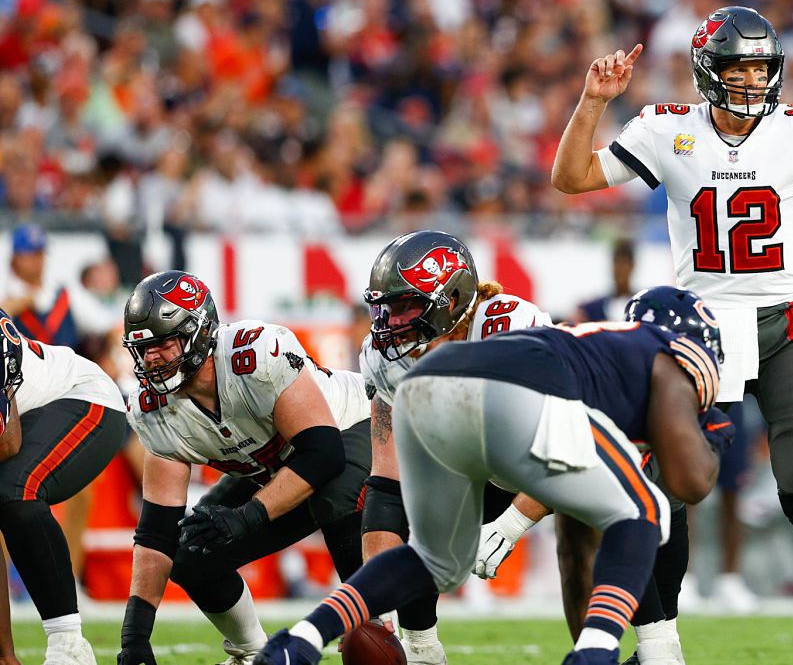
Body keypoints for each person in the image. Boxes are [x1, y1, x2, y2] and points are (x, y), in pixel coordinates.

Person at [550, 5, 793, 664]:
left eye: (759, 67)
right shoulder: (667, 128)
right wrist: (590, 102)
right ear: (707, 71)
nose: (750, 80)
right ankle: (660, 646)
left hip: (782, 325)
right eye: (736, 66)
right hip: (699, 333)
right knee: (667, 489)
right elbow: (570, 178)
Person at [253, 289, 732, 665]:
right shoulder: (670, 355)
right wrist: (713, 433)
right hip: (528, 389)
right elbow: (691, 483)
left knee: (434, 559)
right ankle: (596, 652)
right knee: (640, 513)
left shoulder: (614, 345)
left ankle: (303, 638)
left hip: (429, 388)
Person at [116, 271, 372, 665]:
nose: (151, 358)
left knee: (334, 497)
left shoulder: (253, 355)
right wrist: (134, 637)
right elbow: (155, 531)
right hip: (280, 467)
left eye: (163, 342)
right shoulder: (153, 408)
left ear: (199, 333)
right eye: (143, 347)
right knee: (192, 551)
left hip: (354, 431)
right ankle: (253, 653)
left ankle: (390, 631)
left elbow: (323, 454)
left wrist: (247, 517)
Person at [475, 287, 724, 665]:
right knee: (604, 519)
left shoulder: (645, 372)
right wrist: (511, 522)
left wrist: (510, 524)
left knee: (638, 511)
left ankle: (647, 646)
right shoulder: (625, 369)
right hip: (542, 436)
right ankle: (630, 648)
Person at [357, 230, 550, 664]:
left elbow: (566, 448)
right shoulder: (385, 356)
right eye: (386, 306)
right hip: (474, 464)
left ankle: (655, 647)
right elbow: (388, 483)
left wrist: (512, 525)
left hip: (553, 457)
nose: (391, 321)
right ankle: (424, 650)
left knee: (584, 546)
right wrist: (377, 600)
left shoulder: (509, 333)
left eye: (405, 305)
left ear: (452, 299)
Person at [0, 307, 127, 664]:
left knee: (14, 490)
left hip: (86, 397)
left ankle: (68, 646)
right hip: (32, 416)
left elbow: (7, 441)